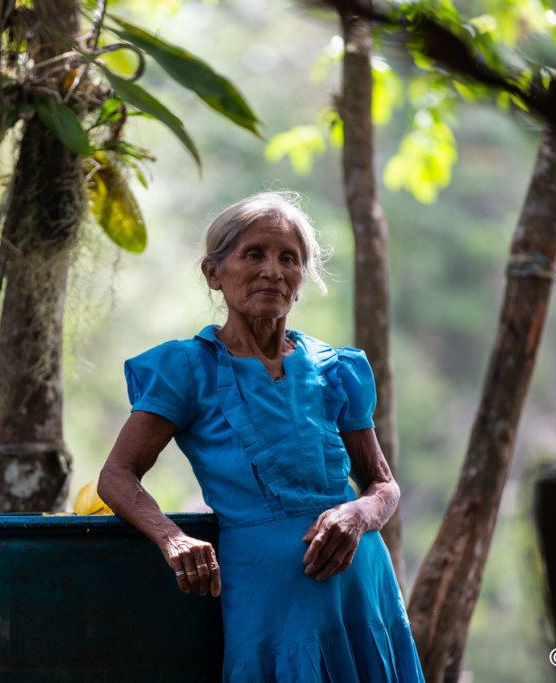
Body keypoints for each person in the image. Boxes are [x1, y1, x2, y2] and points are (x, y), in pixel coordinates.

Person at [98, 192, 424, 681]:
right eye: (254, 254)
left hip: (363, 593)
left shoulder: (335, 369)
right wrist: (173, 539)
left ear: (300, 280)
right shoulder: (186, 369)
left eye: (288, 259)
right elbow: (116, 476)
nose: (273, 270)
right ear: (214, 273)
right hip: (269, 606)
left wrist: (357, 514)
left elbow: (384, 485)